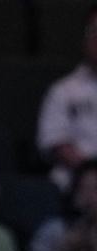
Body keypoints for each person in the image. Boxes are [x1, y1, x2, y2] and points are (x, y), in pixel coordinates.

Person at [37, 6, 97, 191]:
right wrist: (91, 175)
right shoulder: (62, 91)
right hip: (74, 187)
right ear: (84, 40)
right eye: (95, 32)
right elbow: (57, 143)